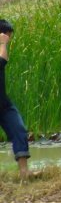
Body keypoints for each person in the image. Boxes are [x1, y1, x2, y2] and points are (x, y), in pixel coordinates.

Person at [0, 20, 39, 179]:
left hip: (3, 103)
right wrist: (3, 44)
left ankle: (24, 172)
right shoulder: (2, 47)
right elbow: (1, 62)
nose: (9, 40)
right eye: (8, 36)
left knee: (19, 130)